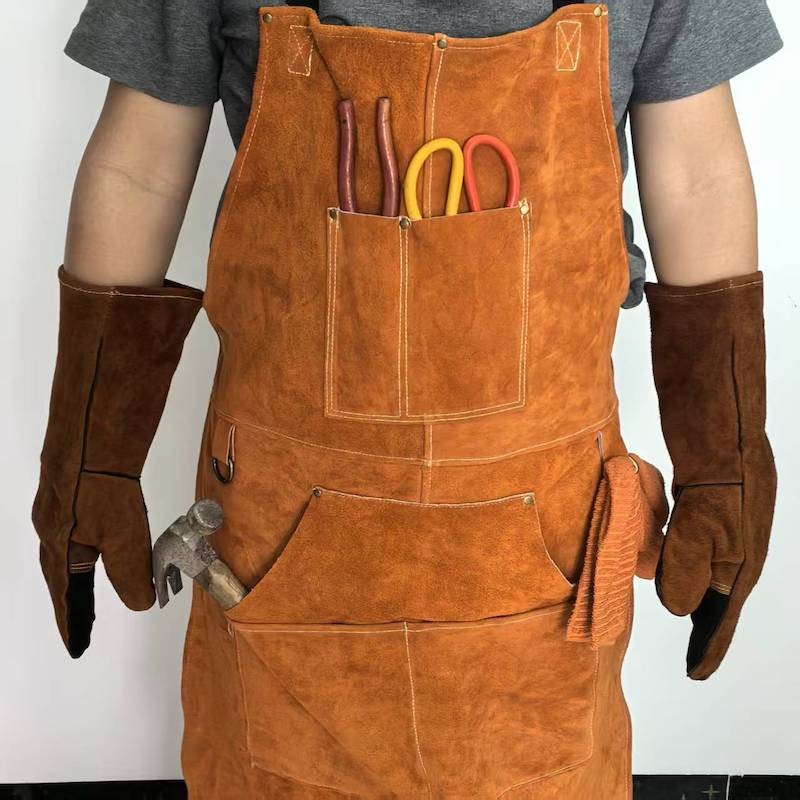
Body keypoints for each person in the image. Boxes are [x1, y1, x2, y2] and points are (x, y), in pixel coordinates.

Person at [32, 1, 781, 798]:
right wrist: (92, 452)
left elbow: (698, 176)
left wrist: (724, 462)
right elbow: (140, 165)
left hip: (550, 548)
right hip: (279, 543)